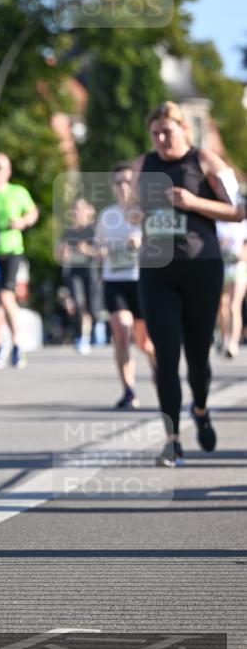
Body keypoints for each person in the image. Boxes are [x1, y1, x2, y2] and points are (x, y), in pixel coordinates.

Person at [133, 101, 244, 467]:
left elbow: (238, 210)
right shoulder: (143, 165)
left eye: (168, 131)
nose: (162, 139)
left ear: (184, 130)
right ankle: (172, 440)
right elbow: (131, 210)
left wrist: (195, 201)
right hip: (156, 269)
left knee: (197, 359)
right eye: (155, 133)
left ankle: (200, 407)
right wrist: (134, 215)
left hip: (201, 267)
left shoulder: (205, 160)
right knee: (165, 356)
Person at [94, 162, 156, 409]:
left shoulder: (145, 213)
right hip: (115, 280)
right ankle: (129, 390)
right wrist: (103, 251)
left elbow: (162, 246)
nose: (122, 186)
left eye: (127, 181)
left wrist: (140, 243)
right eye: (117, 182)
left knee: (145, 342)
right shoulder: (107, 215)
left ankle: (159, 375)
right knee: (122, 331)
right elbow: (97, 246)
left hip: (141, 280)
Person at [0, 152, 38, 369]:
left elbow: (33, 212)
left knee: (5, 296)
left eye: (0, 167)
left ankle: (17, 342)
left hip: (11, 249)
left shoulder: (17, 192)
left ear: (8, 171)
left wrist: (22, 221)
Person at [55, 196, 99, 354]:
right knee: (79, 304)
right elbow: (60, 255)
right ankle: (83, 337)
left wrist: (87, 250)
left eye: (80, 208)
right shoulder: (67, 233)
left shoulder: (94, 231)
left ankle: (88, 332)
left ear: (88, 211)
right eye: (74, 208)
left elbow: (102, 253)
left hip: (91, 272)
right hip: (74, 272)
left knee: (92, 308)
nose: (77, 212)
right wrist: (63, 254)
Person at [216, 215, 247, 358]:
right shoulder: (217, 223)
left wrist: (241, 255)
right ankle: (225, 338)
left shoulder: (242, 223)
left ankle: (233, 343)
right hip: (221, 267)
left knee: (235, 305)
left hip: (239, 268)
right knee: (223, 306)